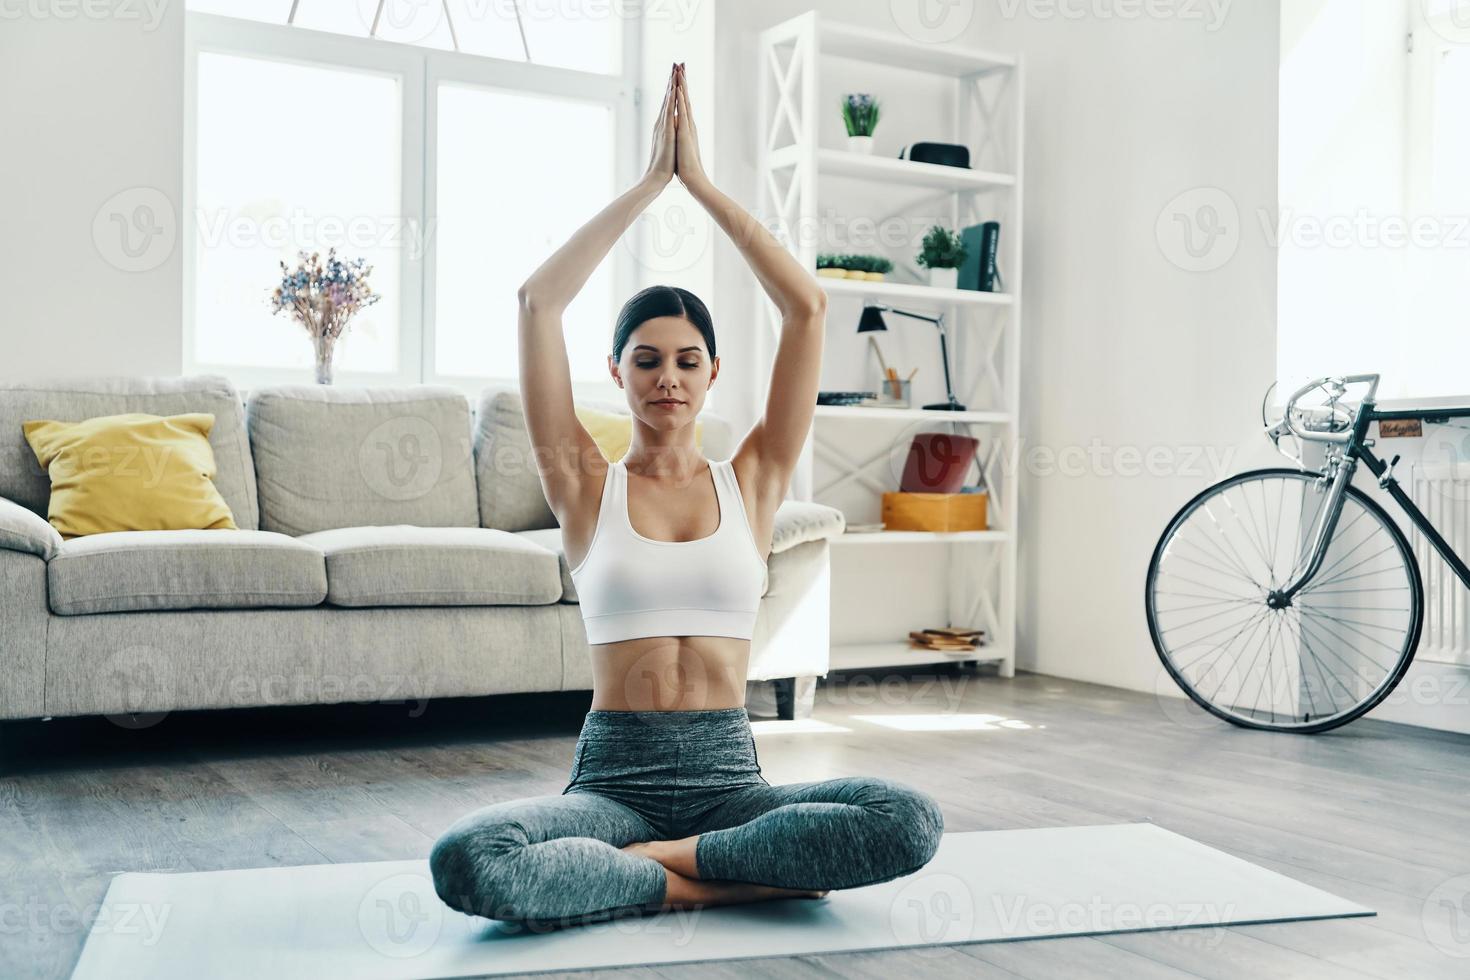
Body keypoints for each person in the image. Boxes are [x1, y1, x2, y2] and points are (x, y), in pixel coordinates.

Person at [429, 62, 944, 929]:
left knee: (908, 821)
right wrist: (646, 187)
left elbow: (809, 308)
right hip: (612, 786)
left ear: (712, 374)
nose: (668, 377)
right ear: (617, 373)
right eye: (647, 359)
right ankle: (727, 881)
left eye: (687, 360)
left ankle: (642, 875)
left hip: (729, 781)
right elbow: (537, 302)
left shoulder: (753, 479)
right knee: (470, 861)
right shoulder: (584, 484)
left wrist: (699, 185)